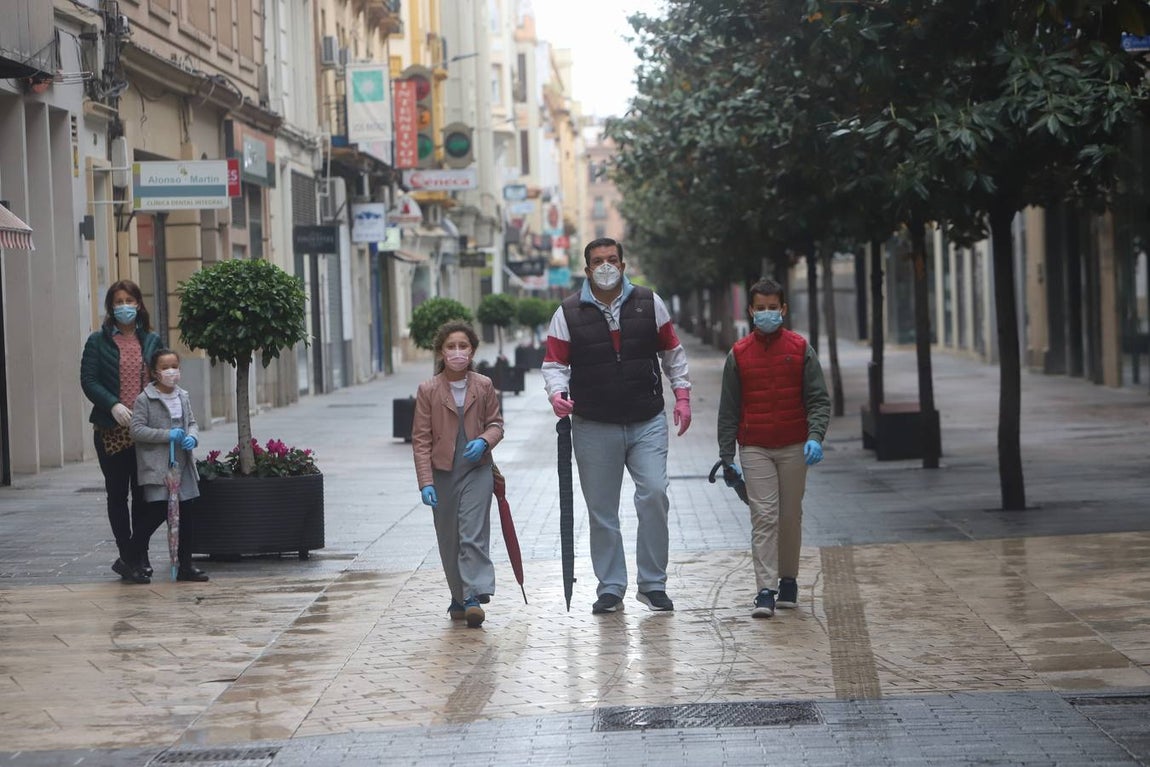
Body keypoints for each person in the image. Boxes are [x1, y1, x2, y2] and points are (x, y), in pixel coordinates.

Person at [542, 237, 692, 614]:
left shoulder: (649, 302)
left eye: (612, 260)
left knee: (655, 494)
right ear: (587, 268)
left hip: (647, 419)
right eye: (598, 261)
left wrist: (683, 395)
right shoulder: (568, 311)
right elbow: (554, 363)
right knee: (602, 510)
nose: (606, 266)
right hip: (594, 423)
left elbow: (672, 352)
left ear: (623, 266)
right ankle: (611, 587)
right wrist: (557, 394)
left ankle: (652, 584)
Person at [717, 278, 830, 618]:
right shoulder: (739, 354)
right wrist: (726, 456)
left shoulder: (799, 349)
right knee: (763, 516)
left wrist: (815, 436)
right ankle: (765, 590)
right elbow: (729, 409)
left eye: (772, 307)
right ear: (751, 311)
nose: (766, 313)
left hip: (795, 444)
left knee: (789, 516)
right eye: (760, 308)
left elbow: (818, 399)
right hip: (755, 447)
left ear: (783, 309)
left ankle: (789, 581)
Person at [412, 321, 505, 628]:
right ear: (441, 351)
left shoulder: (484, 385)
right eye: (450, 346)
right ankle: (458, 594)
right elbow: (421, 440)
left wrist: (484, 441)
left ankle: (474, 596)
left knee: (472, 533)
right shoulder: (428, 390)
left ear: (472, 350)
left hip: (477, 471)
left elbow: (496, 424)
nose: (457, 352)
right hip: (443, 474)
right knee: (449, 537)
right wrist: (426, 482)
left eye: (462, 346)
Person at [80, 280, 163, 583]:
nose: (124, 306)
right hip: (110, 431)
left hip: (144, 430)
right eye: (118, 301)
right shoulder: (97, 342)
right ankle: (129, 555)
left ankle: (136, 556)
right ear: (110, 307)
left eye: (129, 300)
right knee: (118, 495)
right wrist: (113, 404)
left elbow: (163, 376)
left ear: (139, 304)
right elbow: (89, 380)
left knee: (144, 495)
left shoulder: (152, 341)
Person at [128, 348, 209, 583]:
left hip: (183, 466)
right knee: (156, 513)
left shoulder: (182, 396)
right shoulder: (145, 399)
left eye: (174, 366)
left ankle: (186, 565)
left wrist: (192, 437)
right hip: (157, 467)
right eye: (165, 367)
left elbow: (192, 422)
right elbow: (136, 430)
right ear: (155, 372)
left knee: (187, 516)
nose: (171, 371)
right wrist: (166, 435)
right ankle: (130, 556)